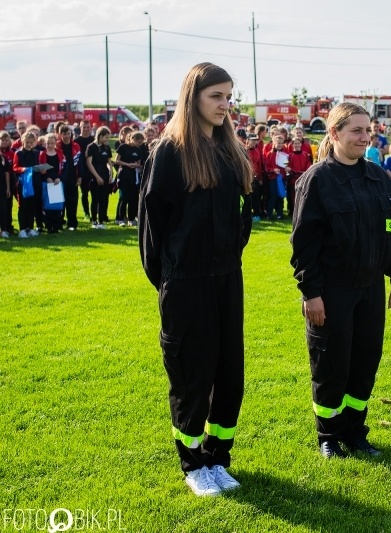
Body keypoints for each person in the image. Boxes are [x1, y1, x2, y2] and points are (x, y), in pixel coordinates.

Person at [139, 62, 253, 496]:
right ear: (193, 98)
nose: (225, 105)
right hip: (185, 282)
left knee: (229, 373)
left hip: (227, 277)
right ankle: (193, 463)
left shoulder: (230, 150)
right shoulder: (169, 152)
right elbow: (152, 227)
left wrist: (229, 254)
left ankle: (218, 457)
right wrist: (171, 279)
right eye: (216, 96)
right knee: (193, 375)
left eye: (229, 97)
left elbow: (243, 213)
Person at [290, 102, 391, 458]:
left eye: (367, 130)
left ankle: (355, 431)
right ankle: (328, 435)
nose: (364, 137)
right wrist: (311, 293)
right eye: (356, 130)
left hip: (370, 289)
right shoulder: (317, 181)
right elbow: (304, 246)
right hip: (332, 291)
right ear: (334, 133)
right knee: (331, 365)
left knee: (364, 362)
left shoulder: (378, 177)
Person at [12, 132, 41, 238]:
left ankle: (30, 228)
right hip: (23, 183)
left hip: (34, 182)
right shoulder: (18, 153)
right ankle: (22, 229)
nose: (29, 144)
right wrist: (23, 169)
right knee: (23, 206)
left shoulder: (36, 153)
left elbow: (37, 165)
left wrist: (41, 169)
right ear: (23, 141)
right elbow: (15, 167)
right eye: (27, 142)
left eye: (31, 142)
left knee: (32, 206)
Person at [115, 131, 146, 226]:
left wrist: (136, 165)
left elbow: (139, 163)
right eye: (138, 142)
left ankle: (131, 219)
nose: (140, 144)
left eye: (141, 143)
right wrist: (127, 164)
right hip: (123, 174)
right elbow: (117, 160)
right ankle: (121, 218)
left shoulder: (138, 150)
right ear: (133, 139)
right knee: (124, 198)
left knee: (133, 198)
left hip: (133, 175)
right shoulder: (123, 147)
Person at [85, 126, 113, 229]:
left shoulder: (107, 148)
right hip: (94, 176)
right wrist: (97, 177)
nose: (107, 140)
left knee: (103, 199)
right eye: (106, 137)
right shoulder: (91, 147)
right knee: (95, 198)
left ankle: (101, 221)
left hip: (105, 175)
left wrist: (111, 173)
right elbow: (89, 163)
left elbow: (109, 163)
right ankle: (94, 220)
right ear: (100, 136)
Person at [56, 125, 82, 230]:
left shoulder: (76, 146)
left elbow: (80, 163)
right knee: (60, 201)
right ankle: (59, 223)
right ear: (60, 135)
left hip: (73, 177)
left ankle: (72, 223)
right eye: (64, 134)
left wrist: (80, 176)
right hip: (60, 178)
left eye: (68, 134)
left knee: (72, 201)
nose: (67, 136)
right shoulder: (57, 146)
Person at [40, 133, 66, 233]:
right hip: (46, 182)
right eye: (48, 143)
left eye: (52, 143)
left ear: (55, 143)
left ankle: (57, 225)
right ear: (45, 144)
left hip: (57, 182)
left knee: (57, 205)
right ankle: (48, 225)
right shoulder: (42, 154)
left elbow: (64, 168)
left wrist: (59, 178)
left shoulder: (60, 153)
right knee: (47, 205)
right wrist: (47, 177)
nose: (50, 145)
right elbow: (40, 169)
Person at [286, 137, 312, 217]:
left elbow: (308, 164)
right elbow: (289, 167)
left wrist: (305, 172)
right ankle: (295, 212)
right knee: (294, 196)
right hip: (294, 179)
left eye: (298, 143)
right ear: (292, 145)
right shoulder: (290, 156)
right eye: (295, 143)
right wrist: (295, 172)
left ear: (301, 144)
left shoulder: (305, 154)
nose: (297, 145)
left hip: (304, 178)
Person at [75, 119, 94, 220]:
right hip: (82, 170)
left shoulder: (94, 140)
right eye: (84, 127)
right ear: (80, 128)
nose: (86, 129)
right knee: (84, 193)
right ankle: (86, 213)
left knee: (95, 194)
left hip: (94, 170)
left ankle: (95, 213)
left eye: (88, 127)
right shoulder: (76, 141)